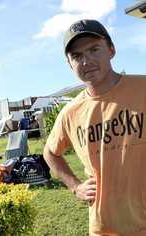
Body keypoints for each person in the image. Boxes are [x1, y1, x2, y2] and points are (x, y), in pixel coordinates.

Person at [44, 19, 146, 235]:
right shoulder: (71, 113)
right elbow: (50, 153)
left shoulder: (143, 89)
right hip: (104, 228)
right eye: (77, 56)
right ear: (69, 64)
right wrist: (75, 186)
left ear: (111, 49)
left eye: (94, 49)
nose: (86, 61)